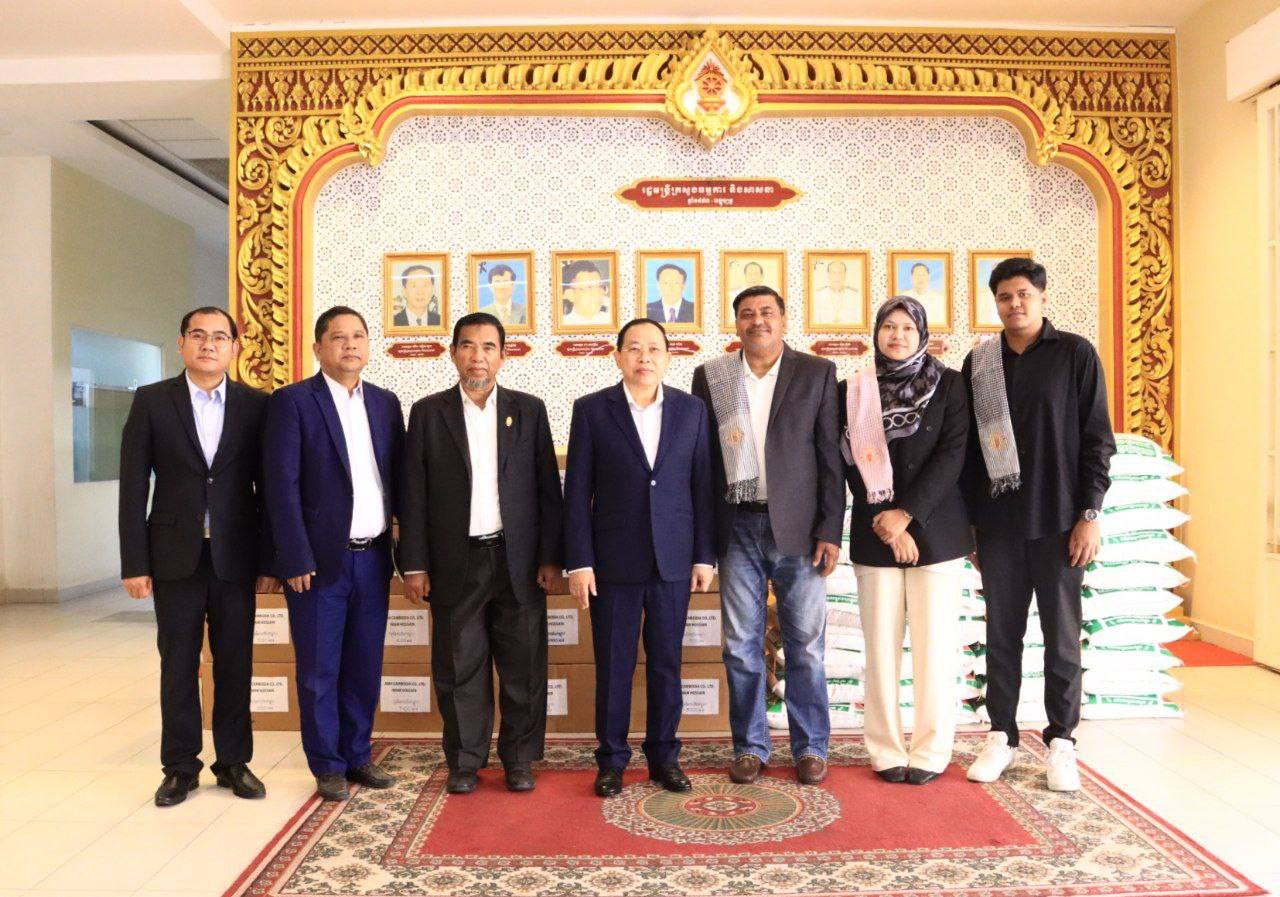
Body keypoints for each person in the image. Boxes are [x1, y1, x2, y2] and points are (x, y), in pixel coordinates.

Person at [960, 257, 1115, 792]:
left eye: (1023, 294)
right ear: (996, 303)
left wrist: (1089, 515)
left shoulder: (1075, 354)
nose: (1015, 304)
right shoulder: (981, 363)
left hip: (1060, 523)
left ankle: (1061, 742)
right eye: (1004, 296)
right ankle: (1001, 735)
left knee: (1062, 638)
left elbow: (1098, 441)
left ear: (1042, 298)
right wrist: (972, 527)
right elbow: (968, 453)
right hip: (999, 525)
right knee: (1001, 636)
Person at [399, 312, 563, 794]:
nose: (478, 356)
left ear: (503, 356)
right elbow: (413, 493)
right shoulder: (428, 413)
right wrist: (414, 564)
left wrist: (550, 558)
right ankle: (465, 760)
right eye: (468, 346)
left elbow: (547, 490)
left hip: (518, 561)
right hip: (456, 561)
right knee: (458, 666)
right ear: (453, 353)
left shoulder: (528, 410)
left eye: (488, 347)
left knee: (523, 666)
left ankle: (519, 758)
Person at [119, 306, 276, 807]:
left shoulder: (257, 405)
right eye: (198, 335)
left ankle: (233, 762)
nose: (209, 345)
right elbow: (132, 486)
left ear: (235, 347)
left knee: (236, 662)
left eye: (219, 337)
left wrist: (269, 561)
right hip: (173, 557)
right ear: (182, 343)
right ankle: (180, 767)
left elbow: (269, 488)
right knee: (178, 664)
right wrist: (134, 563)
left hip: (236, 556)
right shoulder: (152, 401)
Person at [691, 286, 844, 786]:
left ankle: (810, 746)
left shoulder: (816, 372)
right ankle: (750, 746)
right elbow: (701, 462)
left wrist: (830, 529)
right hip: (735, 525)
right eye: (747, 314)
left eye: (767, 312)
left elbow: (830, 456)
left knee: (806, 645)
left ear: (783, 319)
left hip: (799, 529)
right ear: (736, 323)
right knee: (740, 645)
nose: (757, 321)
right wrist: (702, 540)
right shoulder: (712, 376)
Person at [563, 318, 716, 798]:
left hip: (673, 561)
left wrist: (704, 556)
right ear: (618, 357)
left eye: (653, 349)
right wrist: (580, 562)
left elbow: (702, 487)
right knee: (614, 665)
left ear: (668, 357)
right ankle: (611, 761)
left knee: (667, 664)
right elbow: (577, 493)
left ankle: (664, 757)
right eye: (634, 348)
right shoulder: (592, 410)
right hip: (613, 563)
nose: (644, 357)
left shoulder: (691, 410)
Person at [263, 305, 405, 802]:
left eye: (358, 336)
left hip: (373, 558)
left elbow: (398, 480)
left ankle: (357, 754)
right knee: (320, 669)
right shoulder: (293, 402)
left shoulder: (385, 403)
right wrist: (294, 556)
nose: (350, 345)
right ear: (318, 347)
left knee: (364, 664)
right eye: (339, 337)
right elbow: (280, 485)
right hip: (318, 563)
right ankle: (327, 764)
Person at [839, 296, 970, 786]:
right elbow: (849, 462)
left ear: (922, 335)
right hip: (876, 535)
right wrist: (888, 525)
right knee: (880, 650)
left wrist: (907, 517)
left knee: (935, 650)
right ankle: (885, 748)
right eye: (888, 327)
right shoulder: (852, 391)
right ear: (876, 332)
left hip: (937, 533)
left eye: (907, 328)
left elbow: (952, 455)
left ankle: (932, 750)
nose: (897, 336)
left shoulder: (950, 385)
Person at [561, 259, 613, 327]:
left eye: (600, 287)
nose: (597, 294)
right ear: (570, 294)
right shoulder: (564, 324)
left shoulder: (610, 319)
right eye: (589, 287)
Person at [813, 259, 863, 327]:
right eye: (834, 273)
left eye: (840, 273)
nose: (837, 276)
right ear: (828, 275)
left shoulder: (855, 296)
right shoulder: (819, 296)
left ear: (845, 275)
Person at [903, 261, 946, 327]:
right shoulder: (903, 298)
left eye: (923, 275)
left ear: (928, 277)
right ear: (911, 278)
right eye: (917, 275)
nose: (920, 278)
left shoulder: (939, 299)